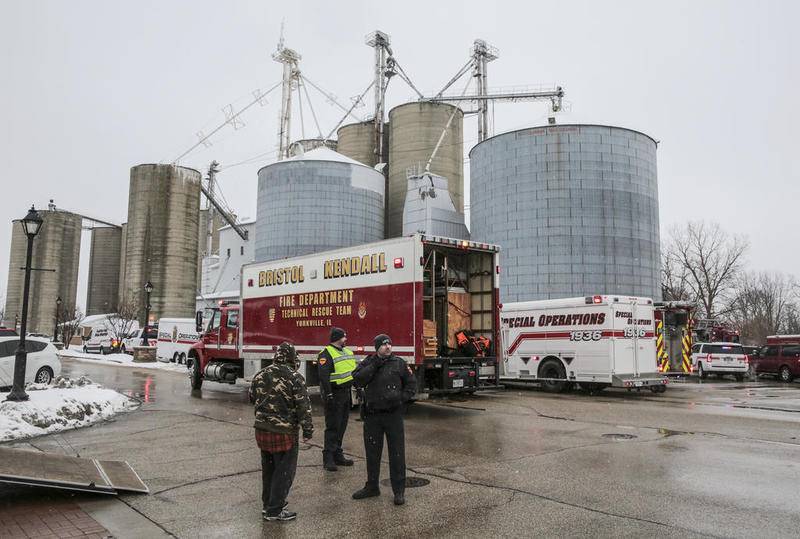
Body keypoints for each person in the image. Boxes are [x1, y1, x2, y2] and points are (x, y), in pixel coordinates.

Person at [249, 342, 313, 522]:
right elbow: (303, 408)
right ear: (293, 358)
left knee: (269, 469)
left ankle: (268, 504)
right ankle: (275, 510)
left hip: (262, 430)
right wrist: (307, 431)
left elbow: (251, 397)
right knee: (284, 471)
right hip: (284, 432)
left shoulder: (260, 374)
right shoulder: (295, 378)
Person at [351, 333, 416, 506]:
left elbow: (411, 385)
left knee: (397, 454)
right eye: (384, 344)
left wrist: (400, 399)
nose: (388, 347)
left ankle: (399, 491)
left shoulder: (399, 363)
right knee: (372, 453)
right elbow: (357, 378)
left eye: (389, 344)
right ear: (377, 347)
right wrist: (376, 364)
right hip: (373, 416)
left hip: (393, 416)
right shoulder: (369, 362)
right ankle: (372, 486)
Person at [317, 327, 356, 471]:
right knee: (332, 427)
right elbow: (323, 377)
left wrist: (358, 388)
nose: (346, 339)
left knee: (342, 426)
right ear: (337, 338)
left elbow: (353, 373)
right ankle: (328, 458)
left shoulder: (347, 352)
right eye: (344, 337)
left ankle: (338, 454)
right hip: (334, 394)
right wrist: (328, 395)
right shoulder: (325, 354)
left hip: (345, 394)